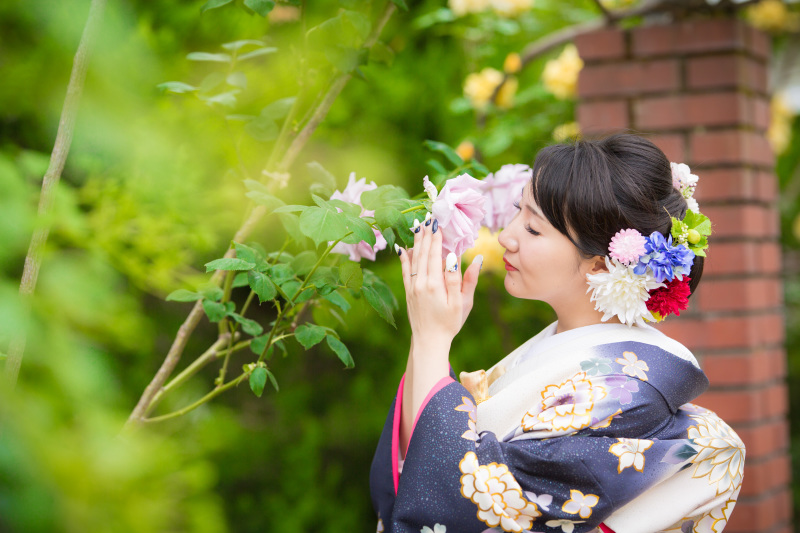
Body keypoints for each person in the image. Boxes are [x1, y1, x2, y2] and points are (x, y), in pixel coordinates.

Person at [369, 134, 745, 533]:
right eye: (517, 212)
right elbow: (419, 464)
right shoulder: (566, 346)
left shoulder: (623, 389)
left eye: (532, 229)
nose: (506, 237)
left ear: (600, 266)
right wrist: (428, 335)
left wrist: (431, 338)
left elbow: (462, 502)